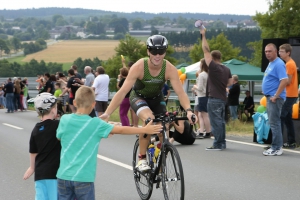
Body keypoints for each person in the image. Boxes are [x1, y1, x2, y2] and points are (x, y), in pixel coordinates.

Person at [100, 35, 196, 172]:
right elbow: (122, 92)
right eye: (153, 51)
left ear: (165, 52)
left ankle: (161, 159)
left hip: (157, 98)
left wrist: (189, 110)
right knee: (150, 120)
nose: (157, 55)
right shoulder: (139, 66)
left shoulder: (169, 68)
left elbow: (181, 93)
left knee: (162, 128)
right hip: (138, 97)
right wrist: (107, 113)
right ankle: (142, 159)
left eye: (161, 51)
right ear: (148, 51)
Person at [56, 86, 162, 199]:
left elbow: (59, 137)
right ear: (93, 104)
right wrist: (144, 130)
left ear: (75, 102)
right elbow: (121, 129)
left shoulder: (65, 119)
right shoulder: (96, 124)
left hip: (63, 177)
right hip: (83, 178)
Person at [23, 93, 61, 200]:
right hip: (54, 173)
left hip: (40, 174)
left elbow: (33, 151)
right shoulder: (58, 125)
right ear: (53, 110)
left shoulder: (36, 129)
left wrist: (32, 167)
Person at [200, 28, 232, 151]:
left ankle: (218, 144)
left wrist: (203, 36)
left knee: (216, 122)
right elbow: (229, 83)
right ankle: (222, 142)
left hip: (214, 98)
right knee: (221, 121)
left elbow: (205, 50)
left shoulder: (213, 67)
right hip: (223, 98)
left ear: (213, 58)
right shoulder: (226, 69)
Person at [262, 43, 288, 156]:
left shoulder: (278, 64)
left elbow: (284, 80)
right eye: (266, 51)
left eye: (269, 51)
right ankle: (276, 145)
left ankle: (276, 147)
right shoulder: (271, 63)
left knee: (275, 122)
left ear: (276, 51)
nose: (267, 53)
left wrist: (276, 95)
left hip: (275, 98)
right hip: (270, 96)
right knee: (273, 122)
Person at [279, 43, 298, 149]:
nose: (279, 53)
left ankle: (279, 141)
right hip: (291, 94)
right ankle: (291, 141)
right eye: (279, 51)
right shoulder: (289, 63)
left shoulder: (289, 64)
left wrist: (277, 85)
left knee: (281, 116)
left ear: (288, 53)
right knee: (287, 118)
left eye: (282, 51)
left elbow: (288, 81)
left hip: (289, 94)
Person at [192, 58, 212, 138]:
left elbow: (200, 88)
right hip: (207, 96)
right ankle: (202, 131)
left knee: (204, 114)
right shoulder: (208, 74)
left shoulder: (201, 75)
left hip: (202, 96)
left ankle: (207, 131)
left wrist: (194, 86)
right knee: (202, 114)